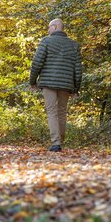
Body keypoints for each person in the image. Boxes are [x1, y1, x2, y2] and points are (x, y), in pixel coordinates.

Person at [29, 18, 82, 152]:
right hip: (66, 84)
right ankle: (60, 140)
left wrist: (32, 81)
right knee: (62, 111)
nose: (48, 30)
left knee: (52, 111)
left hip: (48, 82)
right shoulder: (73, 45)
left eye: (49, 27)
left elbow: (37, 62)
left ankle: (56, 142)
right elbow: (78, 68)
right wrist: (76, 88)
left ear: (55, 26)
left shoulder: (46, 41)